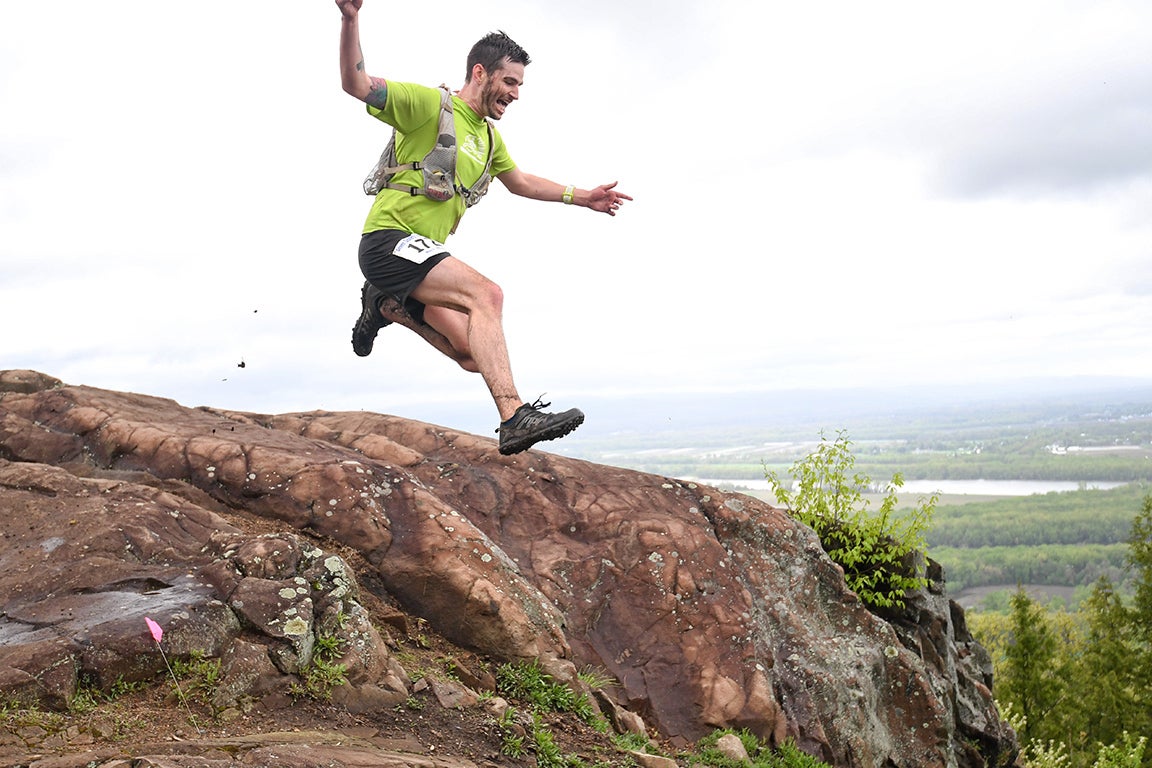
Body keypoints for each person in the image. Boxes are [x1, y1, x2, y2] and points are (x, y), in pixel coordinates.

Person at [335, 0, 632, 456]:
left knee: (474, 356)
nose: (515, 93)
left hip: (419, 257)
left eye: (519, 85)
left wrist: (583, 197)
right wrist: (351, 19)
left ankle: (386, 306)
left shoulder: (490, 137)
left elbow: (521, 183)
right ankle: (514, 416)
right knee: (487, 295)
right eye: (510, 81)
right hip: (387, 241)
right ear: (480, 73)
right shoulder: (429, 105)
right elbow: (356, 84)